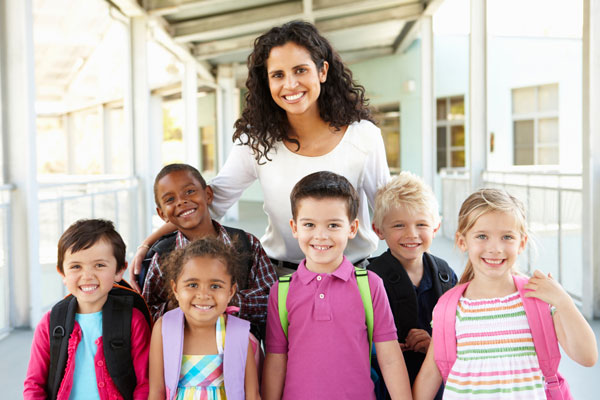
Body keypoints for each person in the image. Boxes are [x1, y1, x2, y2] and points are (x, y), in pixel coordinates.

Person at [129, 20, 389, 282]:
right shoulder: (256, 141)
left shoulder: (362, 135)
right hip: (283, 278)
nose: (290, 84)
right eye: (278, 75)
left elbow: (387, 212)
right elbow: (210, 205)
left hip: (354, 277)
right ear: (266, 82)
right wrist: (148, 244)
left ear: (322, 71)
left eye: (300, 70)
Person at [413, 189, 598, 399]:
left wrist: (563, 302)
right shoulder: (449, 308)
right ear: (462, 241)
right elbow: (430, 374)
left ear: (521, 243)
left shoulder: (538, 299)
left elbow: (587, 357)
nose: (496, 248)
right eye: (482, 236)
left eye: (507, 237)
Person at [262, 171, 411, 399]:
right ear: (294, 227)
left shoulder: (370, 285)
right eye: (309, 224)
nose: (320, 235)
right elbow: (275, 359)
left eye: (333, 225)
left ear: (351, 228)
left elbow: (389, 356)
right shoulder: (281, 291)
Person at [141, 163, 276, 338]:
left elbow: (272, 302)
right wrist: (177, 305)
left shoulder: (247, 244)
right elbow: (147, 315)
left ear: (208, 195)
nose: (181, 201)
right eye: (170, 200)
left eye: (189, 191)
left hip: (244, 354)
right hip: (184, 358)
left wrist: (227, 299)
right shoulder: (161, 257)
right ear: (162, 214)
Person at [24, 219, 150, 399]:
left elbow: (145, 383)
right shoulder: (50, 323)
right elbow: (34, 384)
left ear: (119, 270)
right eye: (76, 266)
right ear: (62, 273)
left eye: (99, 265)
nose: (88, 276)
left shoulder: (133, 320)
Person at [368, 172, 457, 399]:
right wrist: (382, 349)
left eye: (421, 224)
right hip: (385, 387)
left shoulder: (446, 275)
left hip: (437, 387)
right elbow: (352, 337)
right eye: (399, 225)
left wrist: (433, 344)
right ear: (378, 230)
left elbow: (461, 335)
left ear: (435, 227)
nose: (412, 234)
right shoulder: (368, 279)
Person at [148, 238, 260, 400]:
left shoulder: (238, 333)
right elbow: (156, 393)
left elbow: (252, 395)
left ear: (231, 291)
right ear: (176, 289)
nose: (203, 295)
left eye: (215, 286)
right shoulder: (164, 328)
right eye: (193, 285)